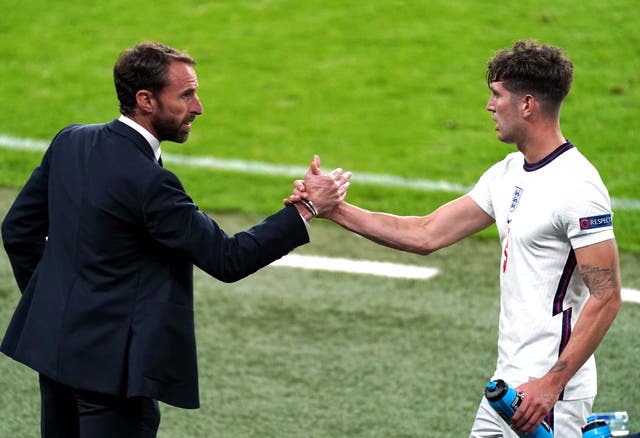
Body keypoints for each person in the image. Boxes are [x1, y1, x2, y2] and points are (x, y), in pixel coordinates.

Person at [0, 41, 350, 438]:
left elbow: (17, 230)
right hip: (112, 374)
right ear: (146, 100)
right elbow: (227, 258)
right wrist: (306, 210)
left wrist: (56, 307)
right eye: (186, 95)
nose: (198, 107)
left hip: (56, 354)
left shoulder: (71, 141)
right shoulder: (151, 183)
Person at [289, 39, 621, 437]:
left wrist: (550, 386)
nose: (489, 106)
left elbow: (607, 295)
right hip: (508, 384)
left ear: (528, 105)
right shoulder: (509, 172)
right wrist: (333, 209)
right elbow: (427, 233)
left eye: (497, 95)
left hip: (549, 397)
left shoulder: (577, 186)